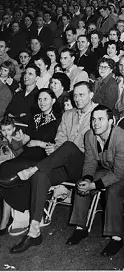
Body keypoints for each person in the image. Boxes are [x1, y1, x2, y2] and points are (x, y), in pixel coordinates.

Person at [0, 81, 98, 253]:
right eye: (75, 95)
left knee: (67, 147)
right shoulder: (69, 115)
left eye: (81, 94)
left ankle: (33, 169)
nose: (77, 98)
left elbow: (94, 145)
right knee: (41, 176)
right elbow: (59, 138)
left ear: (91, 95)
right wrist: (56, 147)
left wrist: (61, 147)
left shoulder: (98, 114)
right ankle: (34, 232)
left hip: (82, 165)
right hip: (61, 162)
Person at [65, 105, 124, 256]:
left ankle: (116, 238)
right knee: (82, 183)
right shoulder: (89, 135)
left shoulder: (122, 138)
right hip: (108, 168)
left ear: (111, 121)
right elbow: (90, 162)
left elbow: (119, 174)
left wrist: (93, 185)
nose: (96, 123)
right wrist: (88, 180)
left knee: (113, 191)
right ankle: (81, 228)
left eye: (100, 119)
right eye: (93, 119)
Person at [0, 89, 61, 235]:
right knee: (5, 166)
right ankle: (6, 217)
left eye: (45, 99)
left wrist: (39, 143)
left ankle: (14, 217)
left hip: (44, 155)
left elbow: (58, 145)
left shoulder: (59, 118)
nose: (42, 102)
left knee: (14, 169)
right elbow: (25, 140)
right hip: (29, 153)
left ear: (53, 100)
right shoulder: (35, 117)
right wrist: (14, 139)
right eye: (39, 99)